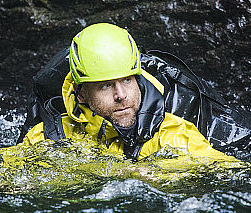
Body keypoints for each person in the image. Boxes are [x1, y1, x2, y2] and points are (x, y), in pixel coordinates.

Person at [21, 23, 238, 162]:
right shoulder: (50, 137)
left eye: (127, 80)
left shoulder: (175, 136)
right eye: (105, 85)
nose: (121, 95)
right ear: (81, 94)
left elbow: (229, 174)